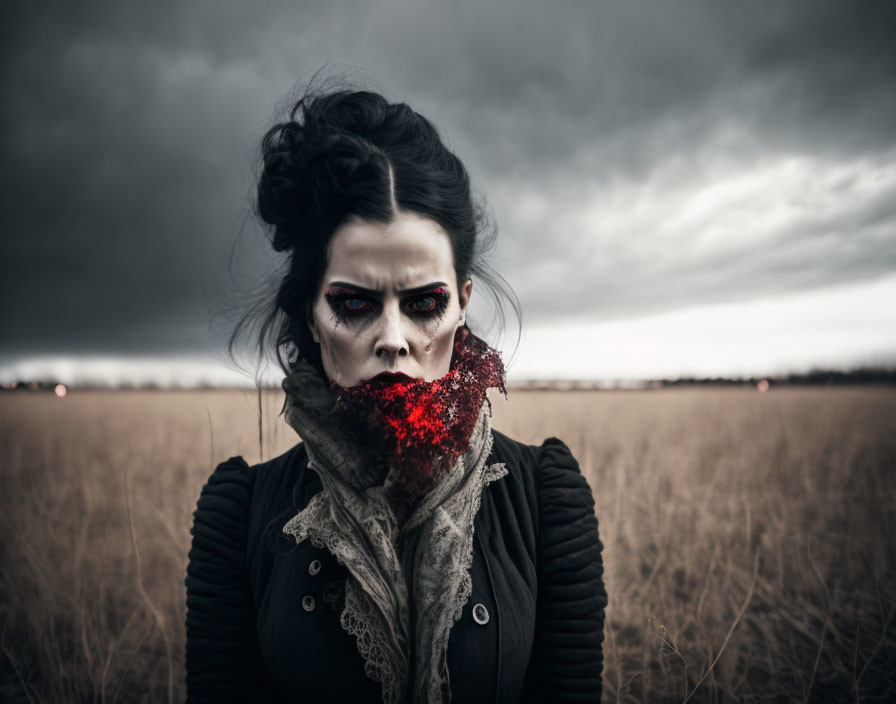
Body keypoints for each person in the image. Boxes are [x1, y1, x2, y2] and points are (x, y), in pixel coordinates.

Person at [185, 86, 607, 703]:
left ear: (463, 303)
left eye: (424, 303)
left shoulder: (545, 503)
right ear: (310, 313)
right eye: (354, 303)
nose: (393, 339)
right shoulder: (241, 515)